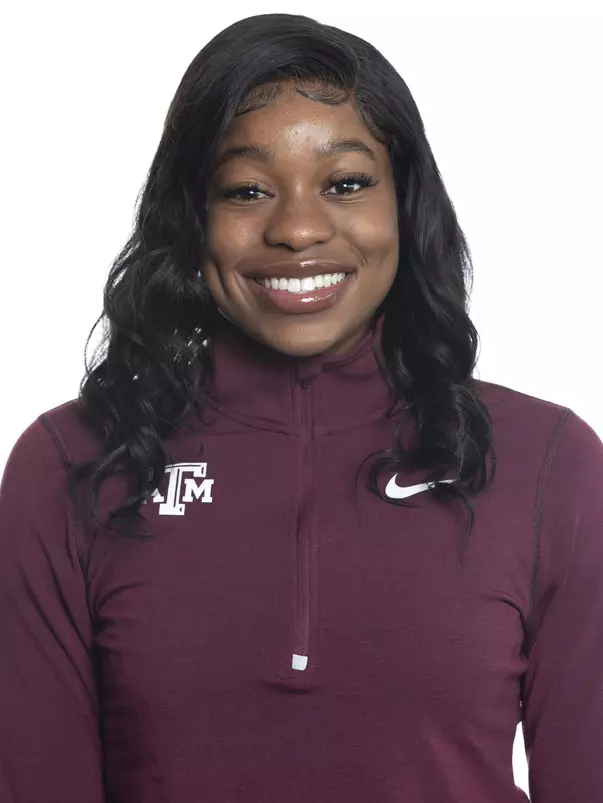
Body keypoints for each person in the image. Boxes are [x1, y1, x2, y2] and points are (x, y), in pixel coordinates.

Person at [0, 12, 601, 803]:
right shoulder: (68, 464)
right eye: (246, 189)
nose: (297, 228)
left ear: (404, 201)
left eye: (345, 183)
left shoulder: (546, 461)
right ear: (191, 218)